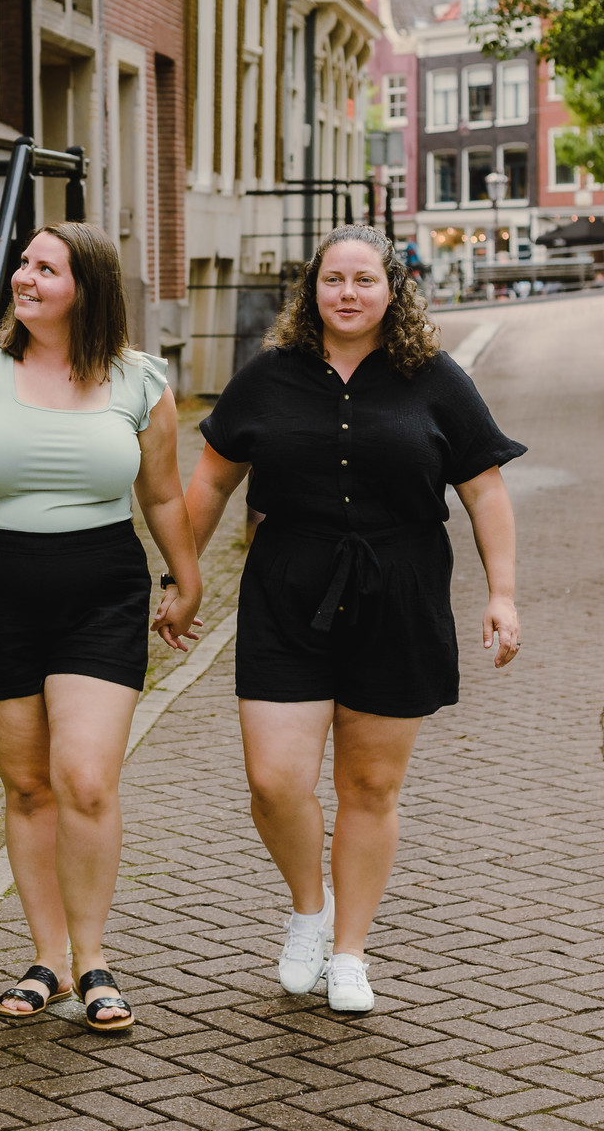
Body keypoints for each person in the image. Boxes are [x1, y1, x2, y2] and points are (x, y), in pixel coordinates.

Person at [0, 221, 203, 1034]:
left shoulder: (137, 381)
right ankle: (46, 955)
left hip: (102, 591)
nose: (24, 276)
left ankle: (93, 960)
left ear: (84, 286)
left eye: (45, 267)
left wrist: (186, 579)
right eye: (23, 263)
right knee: (28, 787)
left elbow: (161, 495)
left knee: (85, 779)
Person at [185, 224, 524, 1014]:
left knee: (370, 784)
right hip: (286, 592)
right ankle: (310, 909)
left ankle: (350, 952)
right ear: (312, 289)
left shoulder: (434, 378)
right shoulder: (268, 377)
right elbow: (209, 481)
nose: (347, 294)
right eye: (333, 280)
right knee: (274, 782)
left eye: (365, 280)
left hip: (399, 591)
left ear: (393, 289)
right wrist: (185, 575)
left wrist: (502, 593)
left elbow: (485, 491)